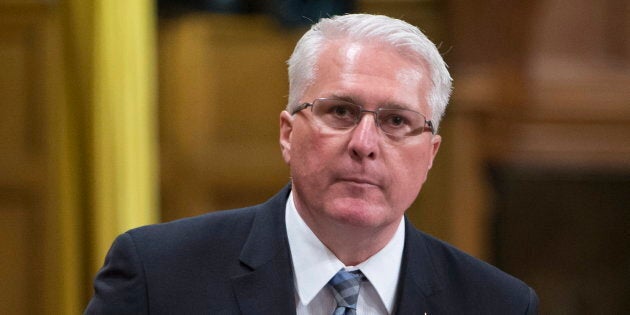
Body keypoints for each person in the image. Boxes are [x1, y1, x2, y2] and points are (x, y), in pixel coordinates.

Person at [85, 14, 538, 314]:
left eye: (396, 121)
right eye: (340, 112)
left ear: (431, 155)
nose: (364, 144)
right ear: (287, 133)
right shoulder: (158, 276)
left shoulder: (497, 304)